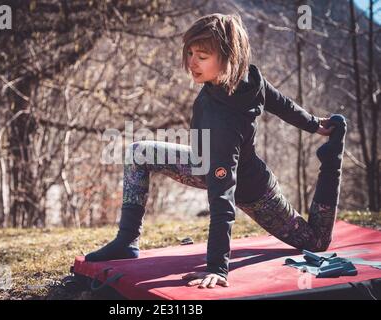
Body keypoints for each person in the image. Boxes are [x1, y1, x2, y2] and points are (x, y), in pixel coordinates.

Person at [84, 13, 347, 289]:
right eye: (191, 53)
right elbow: (283, 104)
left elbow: (223, 200)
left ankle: (332, 159)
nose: (192, 63)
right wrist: (315, 124)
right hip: (203, 161)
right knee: (139, 153)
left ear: (228, 58)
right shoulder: (249, 78)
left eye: (202, 56)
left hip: (251, 190)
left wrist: (217, 268)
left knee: (316, 241)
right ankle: (126, 241)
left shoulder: (224, 124)